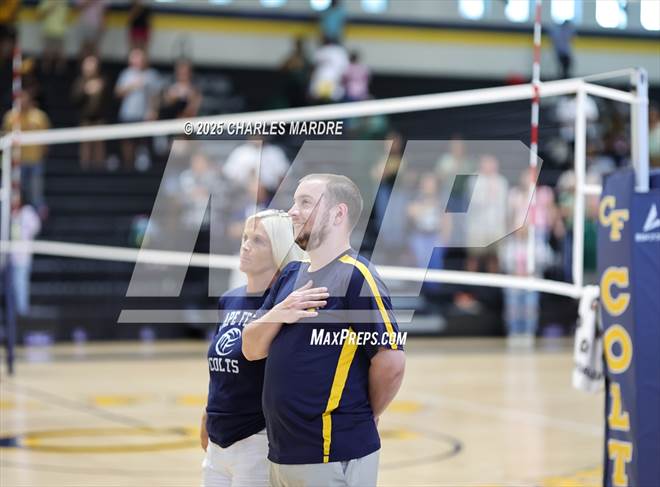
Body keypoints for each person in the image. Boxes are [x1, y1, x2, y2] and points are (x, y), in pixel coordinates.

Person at [242, 173, 406, 487]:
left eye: (305, 202)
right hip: (281, 452)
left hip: (332, 452)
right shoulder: (291, 274)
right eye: (294, 202)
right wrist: (280, 312)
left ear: (337, 214)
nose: (292, 211)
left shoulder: (357, 276)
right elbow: (251, 348)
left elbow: (391, 363)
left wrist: (362, 416)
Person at [201, 209, 307, 487]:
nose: (246, 245)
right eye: (245, 238)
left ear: (280, 250)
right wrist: (208, 414)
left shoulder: (285, 305)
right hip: (217, 441)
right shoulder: (229, 300)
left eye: (258, 240)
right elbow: (221, 369)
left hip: (258, 441)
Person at [2, 90, 51, 212]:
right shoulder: (11, 117)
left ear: (30, 99)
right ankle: (15, 213)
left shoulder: (39, 116)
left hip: (35, 160)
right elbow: (5, 138)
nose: (22, 102)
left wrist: (44, 153)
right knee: (16, 191)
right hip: (17, 161)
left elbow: (47, 138)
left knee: (36, 190)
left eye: (24, 98)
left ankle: (37, 213)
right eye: (20, 99)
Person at [114, 47, 160, 169]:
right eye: (134, 57)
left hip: (144, 115)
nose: (137, 60)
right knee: (127, 142)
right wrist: (132, 85)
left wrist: (153, 111)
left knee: (143, 144)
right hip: (127, 114)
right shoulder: (126, 74)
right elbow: (118, 93)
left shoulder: (151, 74)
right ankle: (128, 167)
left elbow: (155, 95)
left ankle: (142, 169)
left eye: (139, 57)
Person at [9, 191, 41, 318]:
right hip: (10, 256)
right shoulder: (10, 213)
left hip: (23, 256)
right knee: (12, 285)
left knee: (20, 282)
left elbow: (36, 226)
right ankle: (14, 311)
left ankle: (22, 311)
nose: (14, 201)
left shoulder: (27, 212)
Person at [72, 55, 107, 170]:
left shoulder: (102, 81)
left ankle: (99, 168)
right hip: (85, 118)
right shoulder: (80, 81)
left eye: (92, 65)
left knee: (99, 143)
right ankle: (85, 168)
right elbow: (74, 99)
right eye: (87, 65)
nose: (89, 68)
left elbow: (107, 100)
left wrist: (100, 88)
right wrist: (85, 90)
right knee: (85, 143)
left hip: (99, 118)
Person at [309, 37, 349, 103]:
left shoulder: (321, 50)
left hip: (322, 80)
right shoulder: (340, 51)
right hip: (332, 80)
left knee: (321, 102)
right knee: (332, 102)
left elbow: (313, 67)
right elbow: (345, 69)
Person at [37, 0, 69, 74]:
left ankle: (60, 75)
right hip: (48, 31)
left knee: (61, 56)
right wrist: (51, 6)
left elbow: (66, 15)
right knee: (47, 56)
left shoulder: (64, 1)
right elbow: (40, 14)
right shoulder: (46, 1)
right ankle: (45, 75)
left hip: (60, 32)